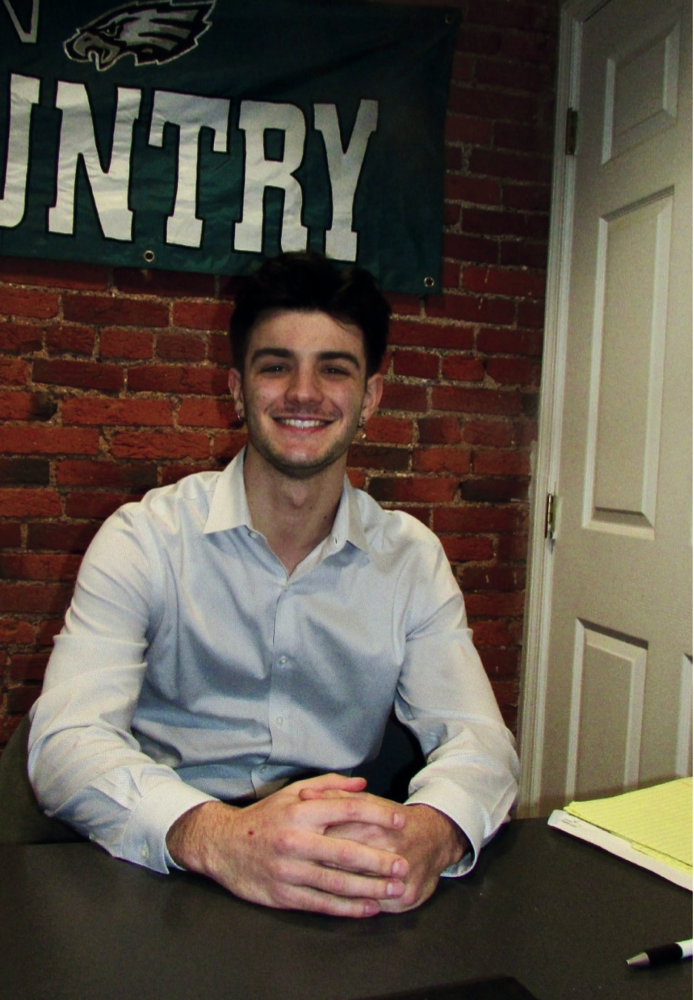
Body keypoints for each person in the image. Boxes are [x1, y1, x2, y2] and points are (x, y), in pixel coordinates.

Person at [28, 251, 519, 918]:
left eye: (334, 369)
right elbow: (64, 742)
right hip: (169, 863)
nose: (303, 393)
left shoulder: (410, 559)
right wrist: (222, 837)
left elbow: (481, 743)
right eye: (276, 365)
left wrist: (429, 833)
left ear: (371, 396)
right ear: (236, 390)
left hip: (339, 872)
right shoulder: (144, 539)